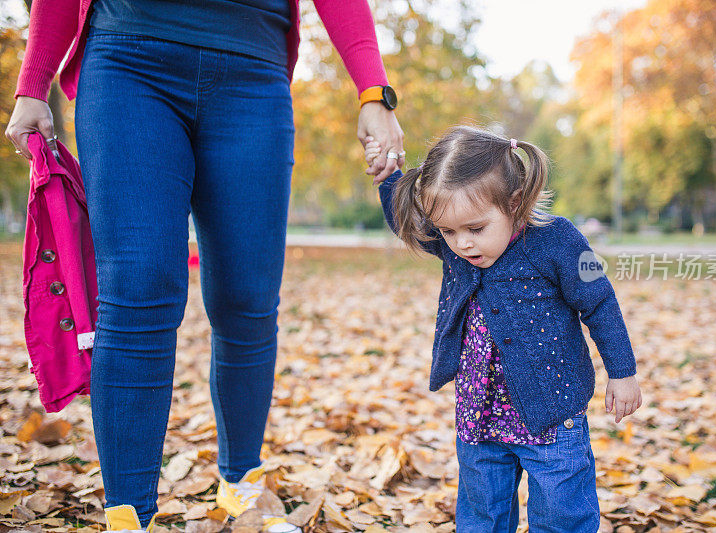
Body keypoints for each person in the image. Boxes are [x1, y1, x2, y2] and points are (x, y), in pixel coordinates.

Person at [5, 1, 404, 532]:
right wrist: (33, 82)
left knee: (248, 299)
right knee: (137, 290)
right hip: (128, 58)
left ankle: (241, 489)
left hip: (253, 72)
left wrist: (373, 90)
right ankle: (128, 517)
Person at [369, 126, 642, 532]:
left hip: (553, 416)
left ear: (514, 203)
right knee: (482, 517)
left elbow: (600, 302)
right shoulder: (456, 244)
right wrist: (388, 173)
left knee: (562, 516)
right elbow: (403, 219)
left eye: (475, 229)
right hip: (479, 414)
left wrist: (622, 372)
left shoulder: (557, 240)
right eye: (448, 231)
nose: (461, 244)